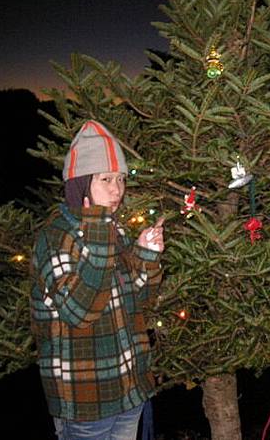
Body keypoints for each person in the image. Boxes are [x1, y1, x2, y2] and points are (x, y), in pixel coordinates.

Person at [30, 120, 164, 440]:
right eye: (105, 179)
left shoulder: (114, 230)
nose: (117, 189)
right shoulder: (56, 238)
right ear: (80, 184)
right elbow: (81, 311)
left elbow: (140, 302)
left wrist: (146, 255)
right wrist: (100, 232)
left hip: (128, 391)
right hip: (86, 401)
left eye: (120, 179)